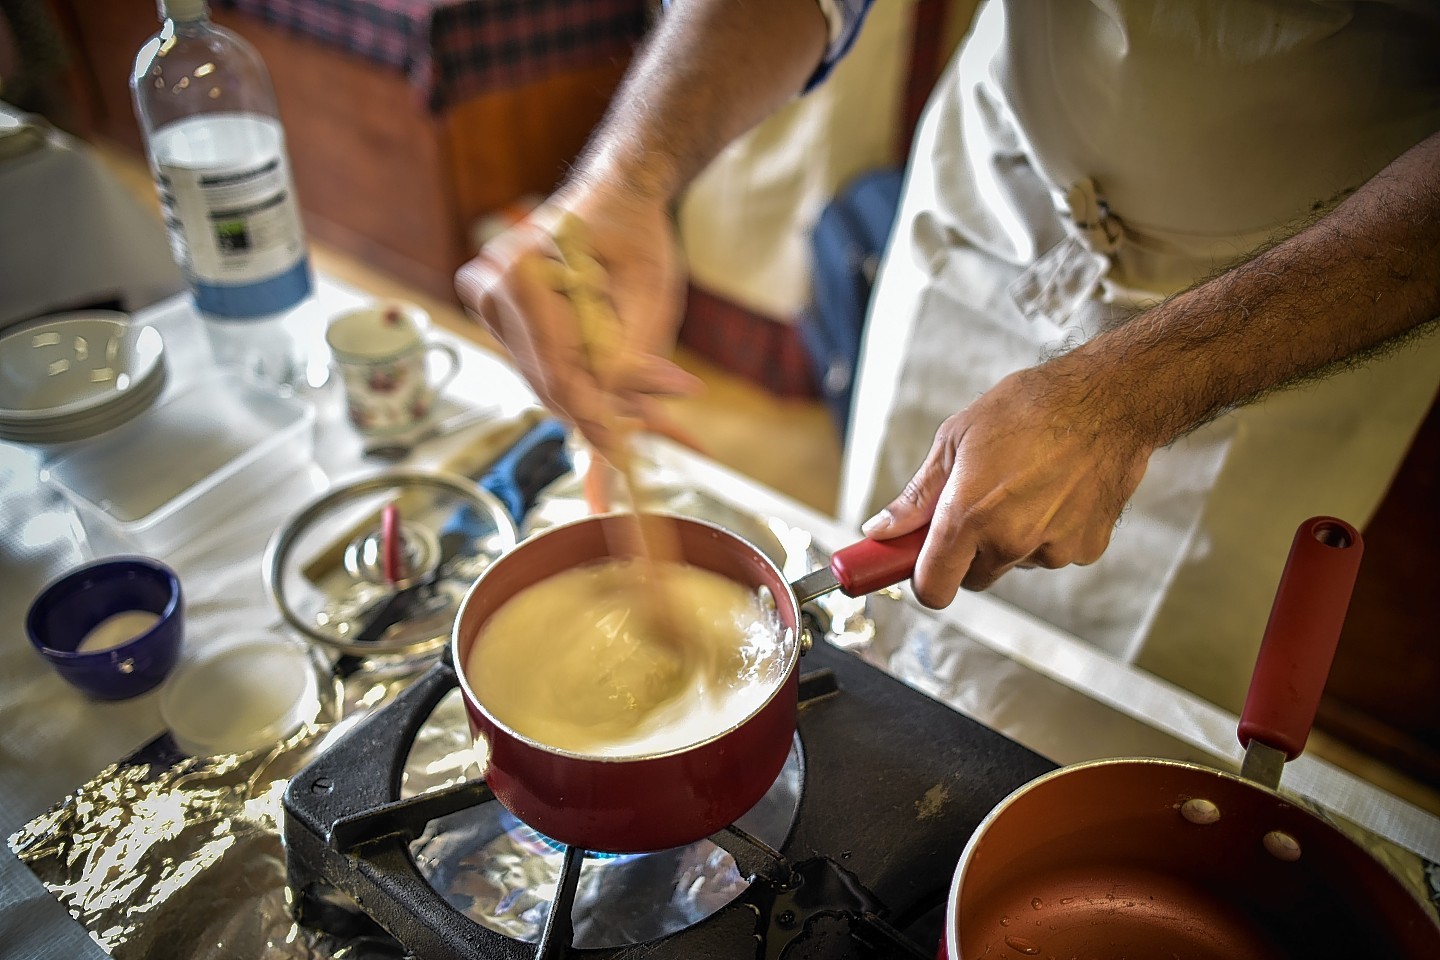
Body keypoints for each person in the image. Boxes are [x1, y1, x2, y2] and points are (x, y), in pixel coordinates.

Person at [456, 0, 1440, 709]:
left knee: (1105, 731)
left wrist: (1133, 392)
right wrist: (632, 174)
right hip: (998, 186)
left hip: (1297, 291)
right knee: (891, 652)